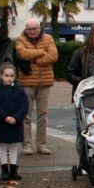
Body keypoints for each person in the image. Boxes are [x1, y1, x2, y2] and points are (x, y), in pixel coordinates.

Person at [14, 18, 58, 155]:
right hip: (26, 83)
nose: (31, 31)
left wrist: (35, 59)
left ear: (39, 28)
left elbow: (54, 56)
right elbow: (22, 53)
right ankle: (27, 144)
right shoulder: (20, 39)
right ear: (26, 29)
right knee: (26, 116)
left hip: (45, 83)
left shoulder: (49, 38)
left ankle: (41, 144)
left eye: (34, 29)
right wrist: (41, 52)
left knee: (43, 115)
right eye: (29, 29)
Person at [0, 62, 28, 181]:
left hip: (15, 122)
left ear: (15, 76)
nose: (9, 78)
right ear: (1, 76)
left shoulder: (20, 91)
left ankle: (14, 169)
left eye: (11, 75)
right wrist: (5, 117)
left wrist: (16, 117)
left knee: (13, 146)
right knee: (3, 145)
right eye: (6, 75)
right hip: (2, 122)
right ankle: (4, 169)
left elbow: (24, 106)